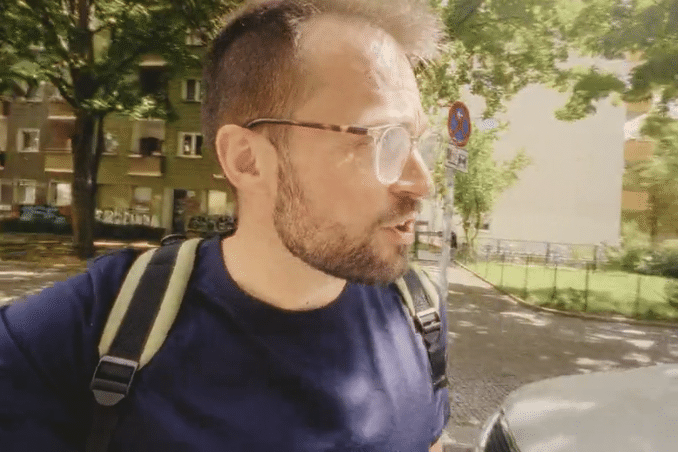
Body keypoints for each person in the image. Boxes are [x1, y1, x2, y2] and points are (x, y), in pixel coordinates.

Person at [0, 0, 450, 450]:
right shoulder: (82, 335)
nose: (422, 182)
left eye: (415, 142)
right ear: (247, 159)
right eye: (384, 140)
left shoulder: (419, 316)